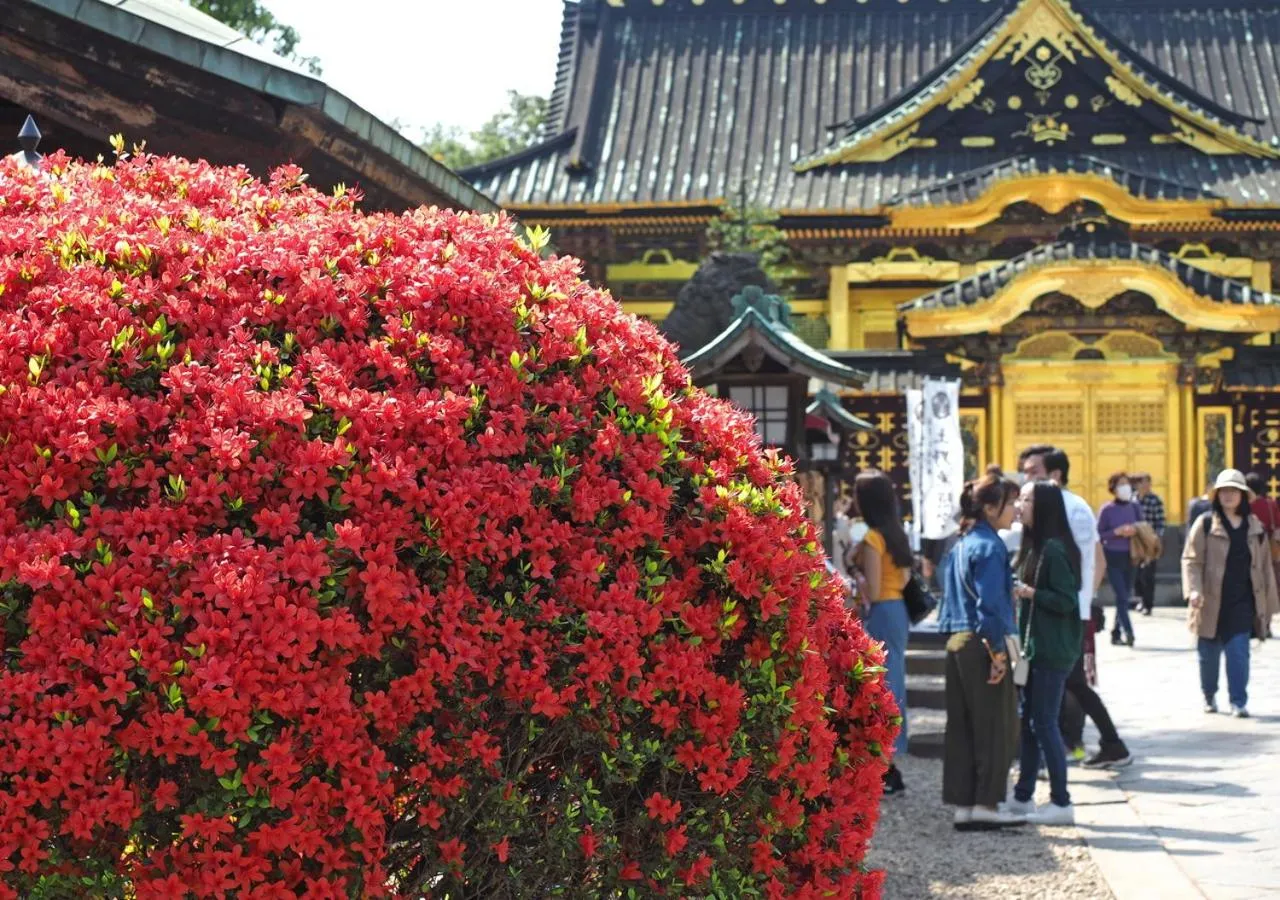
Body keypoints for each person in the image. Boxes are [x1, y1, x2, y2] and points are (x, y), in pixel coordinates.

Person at [1019, 445, 1132, 769]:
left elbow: (1093, 558)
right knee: (1072, 682)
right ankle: (1097, 743)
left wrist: (1083, 600)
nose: (1027, 479)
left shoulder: (1070, 507)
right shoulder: (1054, 506)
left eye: (1033, 472)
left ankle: (1073, 747)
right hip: (1059, 609)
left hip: (1064, 612)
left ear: (1054, 475)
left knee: (1069, 682)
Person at [938, 472, 1024, 830]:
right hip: (983, 642)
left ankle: (965, 804)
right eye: (1008, 503)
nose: (1015, 509)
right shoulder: (990, 546)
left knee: (962, 726)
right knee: (995, 725)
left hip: (957, 640)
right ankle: (987, 804)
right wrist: (999, 655)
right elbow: (990, 605)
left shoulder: (961, 544)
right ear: (990, 507)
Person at [1005, 481, 1083, 825]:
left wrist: (1029, 592)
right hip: (1031, 649)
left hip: (1052, 650)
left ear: (1045, 506)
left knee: (1045, 722)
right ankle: (1023, 795)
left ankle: (1061, 801)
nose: (1019, 504)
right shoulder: (1034, 545)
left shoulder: (1053, 549)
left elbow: (1067, 600)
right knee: (1030, 722)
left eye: (1026, 499)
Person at [1182, 469, 1280, 717]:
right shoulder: (1205, 524)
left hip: (1243, 601)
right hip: (1210, 601)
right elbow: (1191, 560)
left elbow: (1265, 568)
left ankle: (1238, 700)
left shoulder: (1254, 527)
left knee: (1239, 654)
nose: (1228, 496)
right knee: (1209, 657)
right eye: (1224, 491)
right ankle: (1209, 694)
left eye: (1233, 491)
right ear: (1217, 495)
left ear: (1243, 496)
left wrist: (1268, 607)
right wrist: (1193, 591)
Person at [853, 470, 913, 795]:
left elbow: (872, 591)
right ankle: (892, 757)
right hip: (899, 609)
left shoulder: (873, 538)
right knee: (895, 682)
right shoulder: (896, 533)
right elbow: (902, 580)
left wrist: (856, 578)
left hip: (882, 612)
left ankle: (887, 764)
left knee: (882, 687)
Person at [1098, 473, 1141, 647]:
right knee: (1122, 595)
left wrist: (1135, 530)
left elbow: (1143, 527)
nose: (1125, 488)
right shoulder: (1107, 510)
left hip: (1131, 555)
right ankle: (1129, 632)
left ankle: (1115, 632)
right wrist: (1116, 532)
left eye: (1127, 484)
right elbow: (1099, 534)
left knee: (1124, 596)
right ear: (1113, 489)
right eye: (1121, 484)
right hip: (1112, 555)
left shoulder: (1135, 507)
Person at [1133, 473, 1166, 616]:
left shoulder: (1155, 500)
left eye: (1148, 483)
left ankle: (1148, 604)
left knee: (1148, 574)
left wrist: (1157, 538)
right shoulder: (1132, 500)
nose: (1145, 486)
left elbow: (1160, 522)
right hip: (1135, 541)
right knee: (1136, 574)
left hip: (1150, 541)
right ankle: (1140, 599)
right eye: (1142, 483)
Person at [1245, 471, 1280, 596]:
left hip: (1248, 546)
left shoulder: (1244, 505)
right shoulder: (1271, 504)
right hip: (1267, 547)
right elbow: (1277, 526)